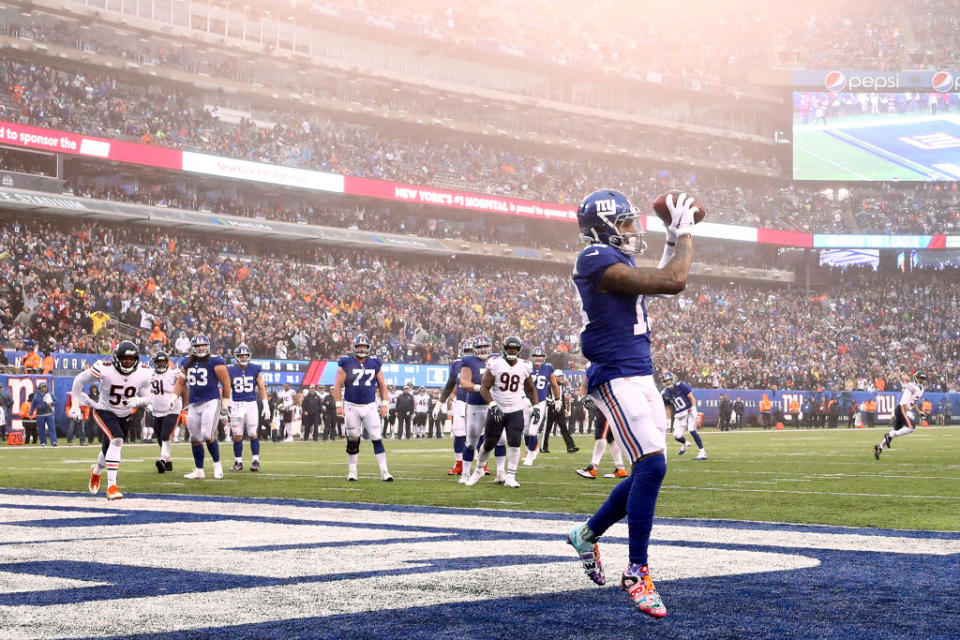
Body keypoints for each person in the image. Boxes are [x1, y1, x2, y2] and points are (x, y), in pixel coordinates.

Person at [566, 188, 696, 619]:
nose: (632, 229)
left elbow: (661, 277)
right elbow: (672, 281)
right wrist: (684, 234)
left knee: (647, 467)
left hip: (640, 373)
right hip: (614, 374)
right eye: (625, 222)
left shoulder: (616, 259)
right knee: (653, 465)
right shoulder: (594, 259)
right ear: (603, 226)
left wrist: (674, 238)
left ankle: (586, 534)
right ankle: (637, 571)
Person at [69, 341, 152, 500]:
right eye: (124, 358)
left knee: (108, 448)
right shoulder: (105, 368)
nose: (128, 362)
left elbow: (148, 397)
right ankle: (112, 486)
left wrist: (138, 401)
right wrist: (75, 405)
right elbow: (79, 379)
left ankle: (96, 471)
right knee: (117, 440)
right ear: (117, 358)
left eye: (131, 359)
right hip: (104, 410)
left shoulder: (143, 372)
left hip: (124, 414)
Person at [463, 336, 538, 488]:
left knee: (515, 442)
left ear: (519, 350)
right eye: (510, 348)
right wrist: (492, 404)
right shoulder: (496, 363)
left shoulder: (524, 366)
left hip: (516, 409)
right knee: (489, 442)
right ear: (504, 348)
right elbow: (484, 387)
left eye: (515, 348)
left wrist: (535, 406)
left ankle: (511, 476)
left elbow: (530, 388)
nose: (512, 351)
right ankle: (478, 471)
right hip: (498, 408)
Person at [332, 334, 393, 481]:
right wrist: (338, 404)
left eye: (364, 346)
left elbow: (382, 386)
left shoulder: (374, 363)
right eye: (359, 346)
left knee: (377, 437)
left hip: (370, 406)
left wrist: (384, 404)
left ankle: (384, 472)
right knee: (353, 438)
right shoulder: (346, 363)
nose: (361, 349)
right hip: (352, 406)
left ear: (368, 348)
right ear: (354, 347)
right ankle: (352, 472)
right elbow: (337, 386)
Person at [171, 334, 231, 480]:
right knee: (195, 438)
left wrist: (225, 401)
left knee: (207, 434)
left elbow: (226, 381)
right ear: (193, 347)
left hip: (211, 401)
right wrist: (174, 397)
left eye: (203, 345)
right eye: (198, 346)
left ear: (208, 346)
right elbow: (180, 382)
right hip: (194, 403)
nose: (201, 348)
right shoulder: (187, 361)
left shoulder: (215, 360)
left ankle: (217, 465)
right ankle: (199, 470)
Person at [458, 335, 505, 483]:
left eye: (485, 346)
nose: (483, 349)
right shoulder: (469, 361)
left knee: (501, 440)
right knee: (471, 441)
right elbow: (465, 383)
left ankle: (500, 473)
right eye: (479, 347)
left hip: (494, 405)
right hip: (476, 405)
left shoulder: (497, 359)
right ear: (474, 349)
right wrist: (483, 388)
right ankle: (465, 473)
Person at [226, 344, 270, 471]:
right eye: (241, 355)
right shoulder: (230, 370)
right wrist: (226, 404)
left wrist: (266, 405)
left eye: (245, 355)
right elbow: (227, 388)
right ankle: (238, 462)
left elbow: (262, 388)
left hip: (251, 404)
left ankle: (256, 461)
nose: (243, 357)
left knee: (252, 433)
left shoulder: (255, 369)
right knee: (237, 435)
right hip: (236, 404)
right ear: (236, 357)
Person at [434, 339, 473, 475]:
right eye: (467, 351)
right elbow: (451, 384)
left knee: (480, 435)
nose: (469, 354)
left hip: (478, 402)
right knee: (459, 434)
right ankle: (459, 463)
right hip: (460, 402)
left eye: (471, 351)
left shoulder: (482, 363)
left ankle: (482, 464)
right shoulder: (457, 364)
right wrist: (441, 402)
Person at [576, 378, 628, 479]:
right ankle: (620, 469)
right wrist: (584, 398)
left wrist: (584, 398)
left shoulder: (601, 370)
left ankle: (592, 469)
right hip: (610, 405)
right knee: (611, 438)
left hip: (607, 406)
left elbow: (585, 386)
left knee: (601, 435)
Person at [875, 372, 926, 459]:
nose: (922, 380)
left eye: (923, 378)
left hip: (901, 409)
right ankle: (888, 436)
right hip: (902, 408)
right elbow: (906, 399)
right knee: (911, 428)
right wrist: (906, 412)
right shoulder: (912, 386)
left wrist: (919, 412)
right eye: (920, 378)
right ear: (916, 378)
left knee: (895, 431)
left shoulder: (920, 389)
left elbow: (913, 402)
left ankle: (879, 447)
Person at [523, 345, 560, 466]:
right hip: (526, 401)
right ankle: (530, 449)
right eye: (535, 356)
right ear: (531, 357)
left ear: (544, 357)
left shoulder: (548, 368)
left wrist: (557, 399)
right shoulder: (526, 366)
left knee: (533, 431)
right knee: (526, 430)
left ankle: (530, 455)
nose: (538, 358)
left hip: (540, 403)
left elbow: (554, 385)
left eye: (540, 356)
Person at [150, 351, 183, 473]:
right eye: (159, 362)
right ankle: (168, 462)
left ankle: (163, 460)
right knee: (160, 437)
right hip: (156, 411)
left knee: (165, 435)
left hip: (172, 409)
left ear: (167, 362)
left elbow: (183, 384)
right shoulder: (150, 374)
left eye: (163, 361)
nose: (161, 364)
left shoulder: (174, 373)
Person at [662, 371, 706, 460]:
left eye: (669, 380)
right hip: (679, 414)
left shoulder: (681, 385)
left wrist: (693, 408)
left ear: (673, 379)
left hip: (689, 410)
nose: (668, 382)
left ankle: (702, 452)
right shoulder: (664, 393)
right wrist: (667, 420)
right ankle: (685, 443)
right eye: (666, 381)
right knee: (676, 435)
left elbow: (691, 397)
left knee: (692, 430)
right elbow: (668, 407)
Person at [541, 371, 578, 454]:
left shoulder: (563, 386)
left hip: (560, 408)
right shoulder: (549, 385)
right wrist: (552, 401)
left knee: (564, 428)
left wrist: (564, 408)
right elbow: (545, 396)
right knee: (548, 428)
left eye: (561, 376)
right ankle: (543, 447)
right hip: (551, 408)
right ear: (555, 377)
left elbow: (562, 398)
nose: (561, 378)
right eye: (559, 376)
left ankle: (571, 447)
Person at [30, 381, 56, 446]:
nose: (43, 388)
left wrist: (51, 404)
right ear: (39, 388)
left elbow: (56, 402)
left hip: (49, 413)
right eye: (42, 387)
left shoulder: (50, 394)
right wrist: (30, 414)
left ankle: (54, 441)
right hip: (40, 415)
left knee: (52, 428)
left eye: (44, 387)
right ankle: (43, 442)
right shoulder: (36, 396)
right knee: (41, 429)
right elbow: (33, 405)